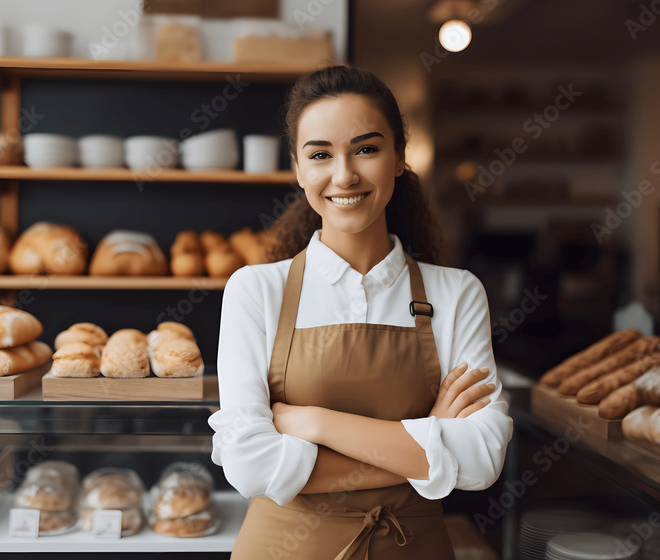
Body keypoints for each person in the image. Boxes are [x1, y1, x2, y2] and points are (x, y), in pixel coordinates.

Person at [208, 65, 514, 558]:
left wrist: (314, 422)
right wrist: (429, 447)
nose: (344, 174)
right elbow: (249, 465)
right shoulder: (255, 290)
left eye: (366, 149)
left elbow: (481, 460)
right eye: (320, 155)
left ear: (398, 157)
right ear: (298, 168)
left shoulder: (457, 294)